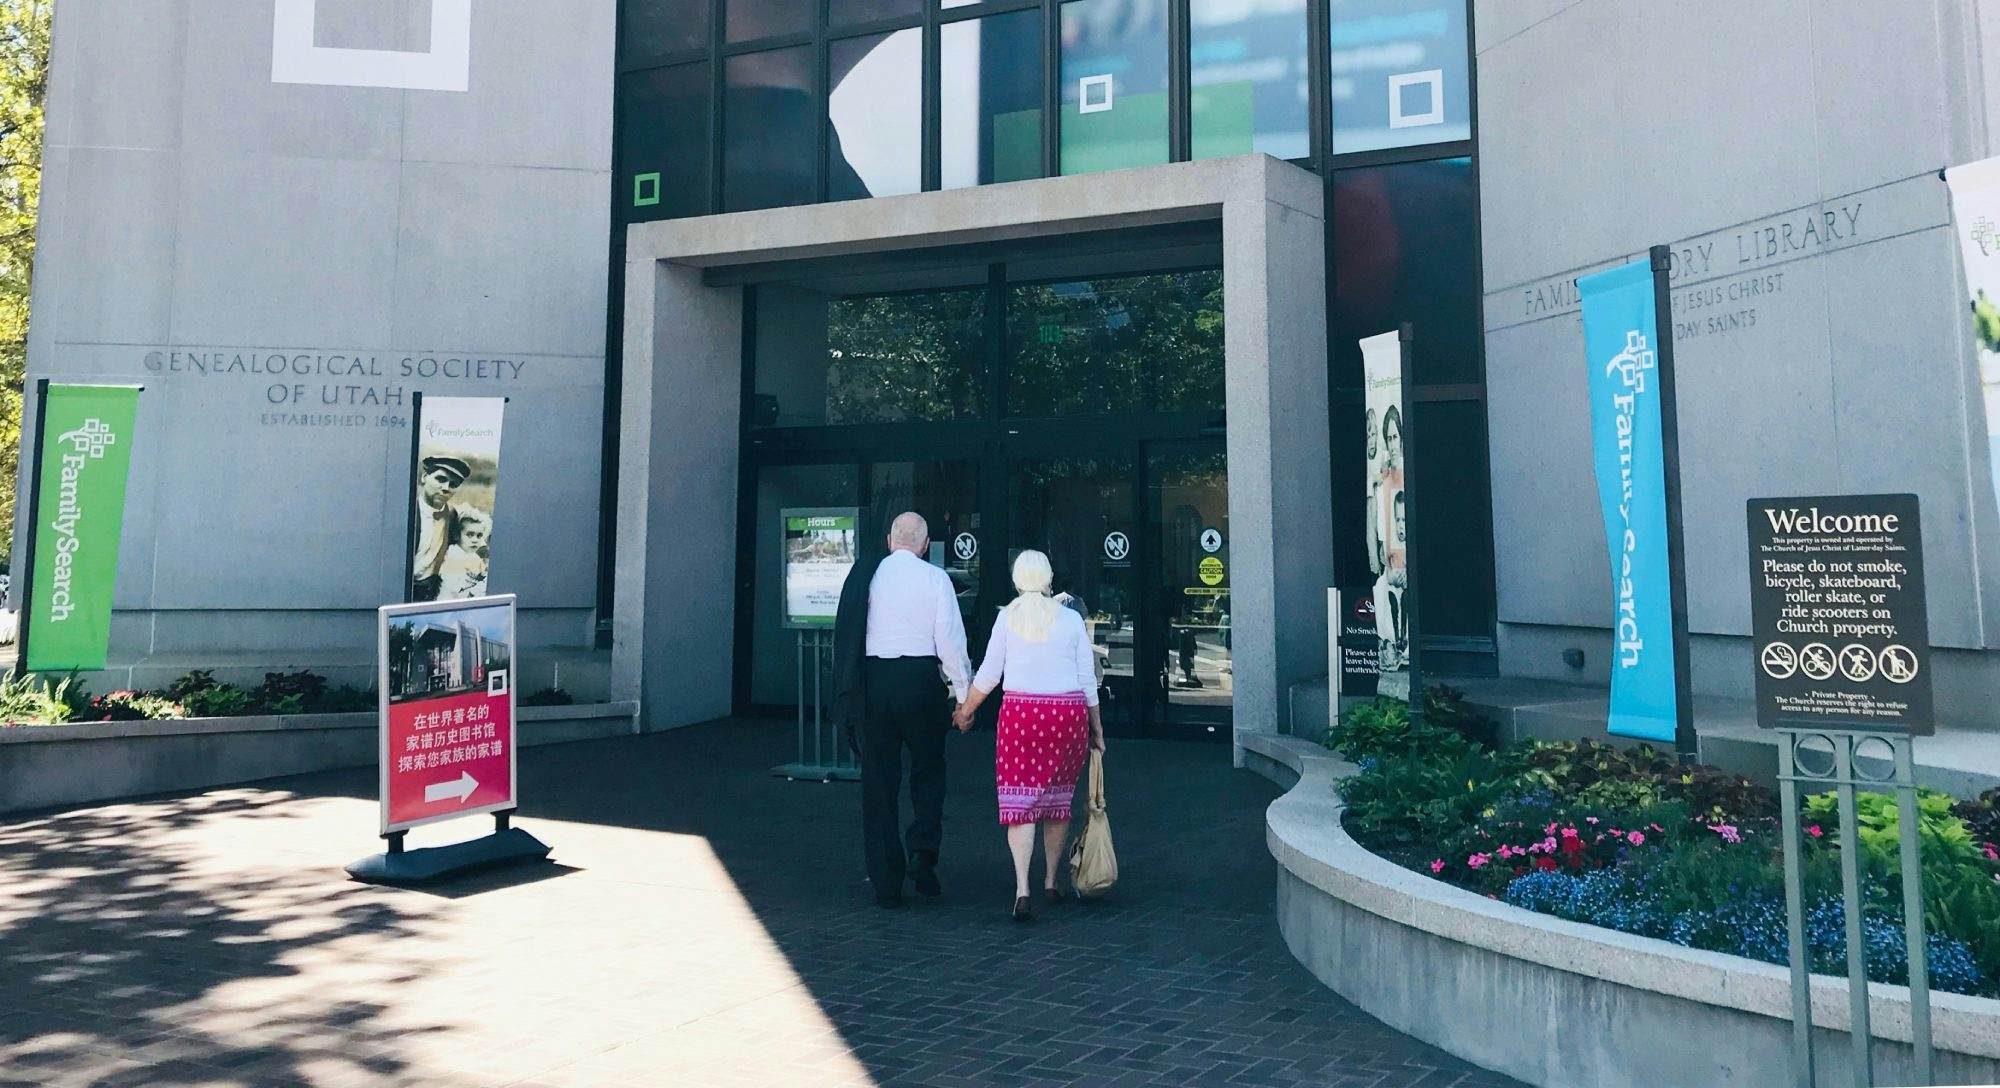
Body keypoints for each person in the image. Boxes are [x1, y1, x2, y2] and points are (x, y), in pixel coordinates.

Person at [953, 550, 1104, 922]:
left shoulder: (1008, 619)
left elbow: (989, 674)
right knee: (1057, 798)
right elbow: (1087, 680)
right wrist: (1096, 729)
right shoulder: (1070, 620)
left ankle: (1023, 888)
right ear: (1049, 577)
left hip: (1022, 717)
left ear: (1017, 579)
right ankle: (1052, 880)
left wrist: (965, 710)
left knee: (1020, 801)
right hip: (1065, 716)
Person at [831, 512, 972, 908]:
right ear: (925, 545)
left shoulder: (869, 576)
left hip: (876, 682)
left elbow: (848, 633)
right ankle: (923, 852)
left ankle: (885, 880)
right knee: (928, 770)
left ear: (890, 540)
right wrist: (963, 696)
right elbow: (950, 641)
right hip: (922, 681)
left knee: (879, 782)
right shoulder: (936, 579)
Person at [411, 455, 471, 601]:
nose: (446, 488)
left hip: (433, 591)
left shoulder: (453, 515)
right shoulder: (407, 511)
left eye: (453, 484)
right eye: (441, 479)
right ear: (425, 477)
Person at [437, 510, 492, 599]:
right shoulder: (452, 554)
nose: (475, 540)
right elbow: (453, 585)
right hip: (450, 601)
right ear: (457, 535)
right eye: (470, 535)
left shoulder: (474, 556)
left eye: (479, 535)